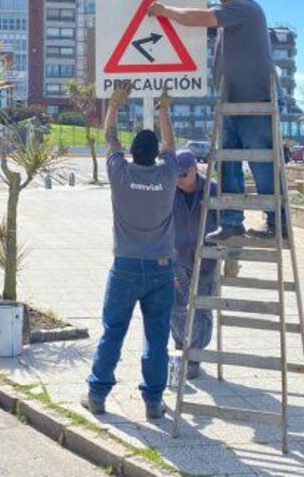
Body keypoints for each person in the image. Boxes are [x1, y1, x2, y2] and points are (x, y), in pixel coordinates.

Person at [148, 0, 284, 243]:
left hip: (255, 102)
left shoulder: (245, 8)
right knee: (228, 165)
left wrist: (165, 11)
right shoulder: (231, 17)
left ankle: (277, 224)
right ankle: (233, 222)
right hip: (231, 103)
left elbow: (200, 18)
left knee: (262, 165)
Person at [82, 81, 177, 421]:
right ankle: (153, 403)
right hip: (161, 268)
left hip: (124, 266)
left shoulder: (120, 173)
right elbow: (171, 143)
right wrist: (164, 109)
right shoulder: (168, 175)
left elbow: (110, 138)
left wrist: (114, 105)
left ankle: (97, 394)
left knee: (113, 332)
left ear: (133, 154)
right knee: (157, 338)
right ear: (158, 156)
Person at [170, 150, 219, 380]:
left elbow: (226, 221)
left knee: (201, 309)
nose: (178, 179)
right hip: (177, 259)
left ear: (194, 169)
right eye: (174, 174)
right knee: (177, 307)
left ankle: (195, 356)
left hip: (207, 259)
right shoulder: (169, 191)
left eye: (182, 174)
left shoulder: (213, 190)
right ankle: (181, 349)